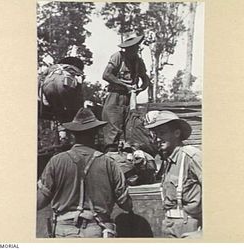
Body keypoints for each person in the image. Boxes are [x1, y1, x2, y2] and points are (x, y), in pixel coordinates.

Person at [37, 107, 133, 238]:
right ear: (96, 132)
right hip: (97, 230)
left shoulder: (56, 161)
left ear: (72, 134)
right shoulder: (109, 163)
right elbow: (126, 205)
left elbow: (40, 202)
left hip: (64, 231)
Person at [145, 110, 202, 238]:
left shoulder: (191, 157)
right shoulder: (168, 161)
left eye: (162, 133)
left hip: (189, 227)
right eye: (155, 134)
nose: (157, 139)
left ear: (177, 133)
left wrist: (203, 233)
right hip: (169, 225)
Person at [102, 35, 151, 152]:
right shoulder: (118, 57)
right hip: (115, 97)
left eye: (135, 48)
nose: (134, 51)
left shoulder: (138, 61)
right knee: (112, 131)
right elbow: (106, 75)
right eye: (131, 49)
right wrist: (125, 85)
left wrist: (141, 88)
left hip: (130, 99)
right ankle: (111, 156)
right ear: (126, 49)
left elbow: (145, 78)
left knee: (131, 129)